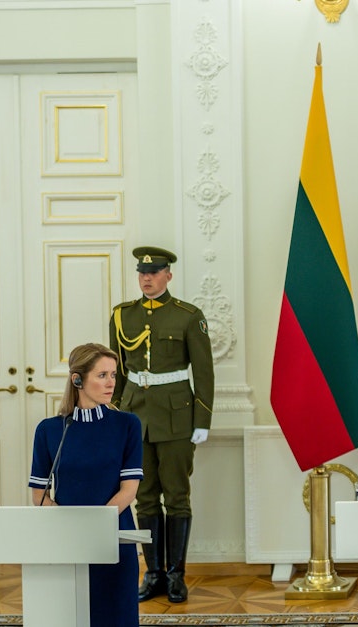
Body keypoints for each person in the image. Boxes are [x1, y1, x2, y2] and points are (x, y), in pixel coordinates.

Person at [108, 246, 213, 603]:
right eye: (141, 273)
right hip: (135, 416)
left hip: (177, 417)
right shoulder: (122, 316)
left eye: (153, 273)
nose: (146, 279)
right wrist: (114, 414)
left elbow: (204, 373)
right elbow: (118, 372)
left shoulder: (187, 316)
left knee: (177, 496)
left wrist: (202, 418)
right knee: (145, 498)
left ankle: (175, 576)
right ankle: (152, 574)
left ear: (168, 275)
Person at [28, 343, 143, 627]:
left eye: (113, 375)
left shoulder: (127, 425)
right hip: (68, 540)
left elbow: (128, 490)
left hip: (114, 535)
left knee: (117, 616)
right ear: (77, 379)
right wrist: (71, 526)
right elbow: (39, 495)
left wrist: (95, 523)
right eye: (102, 375)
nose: (111, 383)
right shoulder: (50, 430)